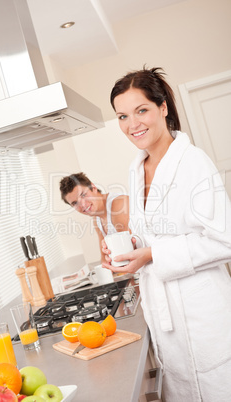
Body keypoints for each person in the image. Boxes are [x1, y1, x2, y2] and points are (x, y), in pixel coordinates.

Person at [102, 66, 231, 401]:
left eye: (141, 110)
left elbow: (224, 239)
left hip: (202, 316)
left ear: (163, 108)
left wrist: (153, 255)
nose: (133, 125)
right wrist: (131, 247)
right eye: (122, 116)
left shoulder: (193, 162)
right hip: (165, 319)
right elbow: (151, 235)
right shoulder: (136, 168)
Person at [59, 172, 129, 262]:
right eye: (75, 203)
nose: (83, 204)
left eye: (83, 195)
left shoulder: (119, 205)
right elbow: (104, 259)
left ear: (93, 187)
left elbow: (129, 253)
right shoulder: (97, 219)